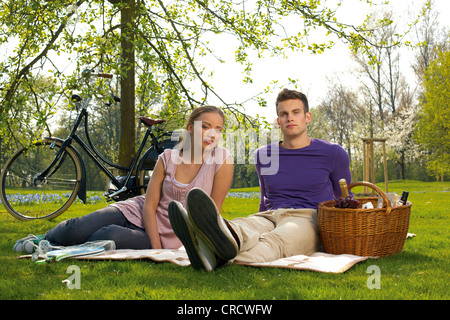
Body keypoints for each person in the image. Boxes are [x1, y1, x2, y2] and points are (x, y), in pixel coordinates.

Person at [168, 88, 352, 271]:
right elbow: (265, 198)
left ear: (308, 117)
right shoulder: (263, 155)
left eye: (296, 112)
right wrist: (258, 219)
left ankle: (211, 255)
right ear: (278, 121)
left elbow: (345, 198)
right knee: (241, 227)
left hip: (308, 218)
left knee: (275, 241)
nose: (290, 118)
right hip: (269, 215)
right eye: (284, 114)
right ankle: (212, 238)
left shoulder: (333, 153)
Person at [13, 105, 233, 253]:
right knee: (76, 228)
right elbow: (149, 204)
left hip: (167, 235)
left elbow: (212, 213)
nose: (211, 134)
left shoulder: (222, 160)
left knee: (105, 235)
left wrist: (158, 249)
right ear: (190, 128)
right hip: (136, 211)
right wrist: (156, 250)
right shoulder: (168, 157)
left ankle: (55, 249)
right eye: (205, 126)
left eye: (218, 129)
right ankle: (42, 238)